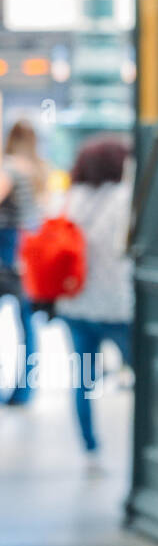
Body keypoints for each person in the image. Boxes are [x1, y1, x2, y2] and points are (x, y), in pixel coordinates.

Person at [54, 136, 134, 471]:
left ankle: (90, 450)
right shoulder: (124, 197)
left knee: (83, 380)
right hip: (117, 305)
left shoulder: (70, 199)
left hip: (76, 303)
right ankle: (156, 449)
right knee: (145, 376)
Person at [0, 120, 49, 406]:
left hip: (6, 251)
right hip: (29, 254)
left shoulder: (10, 167)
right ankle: (24, 390)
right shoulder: (39, 169)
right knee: (27, 325)